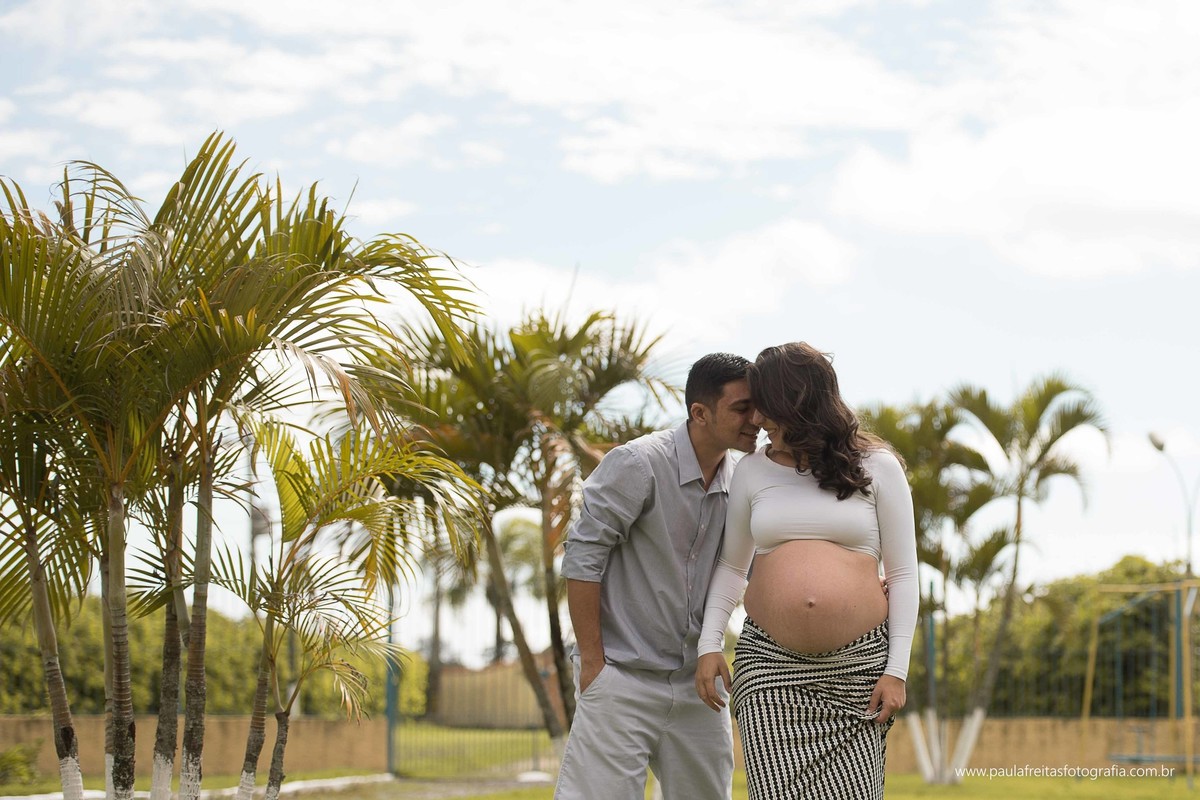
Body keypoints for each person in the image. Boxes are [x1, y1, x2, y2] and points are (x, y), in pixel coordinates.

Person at [695, 342, 918, 800]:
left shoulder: (878, 467)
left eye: (765, 407)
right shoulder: (752, 472)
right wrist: (709, 643)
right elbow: (732, 567)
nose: (756, 420)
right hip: (770, 670)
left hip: (857, 673)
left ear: (798, 403)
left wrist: (896, 670)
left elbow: (904, 575)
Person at [554, 352, 760, 800]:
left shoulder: (745, 481)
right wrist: (593, 664)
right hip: (620, 678)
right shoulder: (638, 464)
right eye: (742, 407)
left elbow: (755, 566)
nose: (757, 418)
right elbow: (583, 558)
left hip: (699, 685)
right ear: (700, 413)